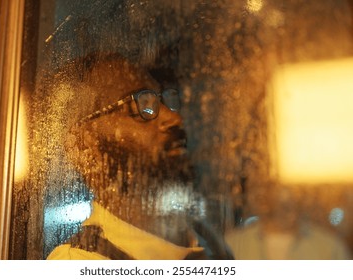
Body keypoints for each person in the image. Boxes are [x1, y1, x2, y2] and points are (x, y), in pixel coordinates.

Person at [46, 53, 232, 260]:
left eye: (163, 100)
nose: (173, 118)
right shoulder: (80, 261)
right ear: (85, 147)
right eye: (141, 105)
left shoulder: (205, 238)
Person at [225, 185, 352, 260]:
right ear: (265, 203)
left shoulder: (329, 247)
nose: (285, 211)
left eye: (291, 203)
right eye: (278, 204)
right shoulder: (233, 244)